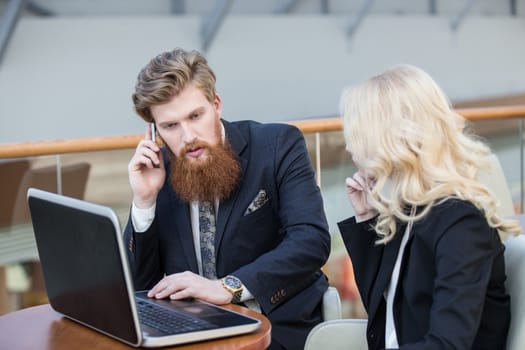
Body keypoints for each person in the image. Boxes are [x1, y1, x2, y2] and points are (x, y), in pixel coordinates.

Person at [124, 47, 331, 350]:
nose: (188, 136)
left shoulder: (278, 145)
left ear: (216, 104)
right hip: (191, 334)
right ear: (155, 132)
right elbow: (140, 289)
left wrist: (227, 288)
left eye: (196, 116)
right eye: (171, 126)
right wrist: (144, 202)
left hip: (273, 330)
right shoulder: (158, 173)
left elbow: (311, 240)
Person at [337, 64, 521, 349]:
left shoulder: (461, 224)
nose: (349, 148)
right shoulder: (412, 210)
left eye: (357, 135)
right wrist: (367, 217)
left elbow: (448, 344)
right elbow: (383, 310)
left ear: (391, 138)